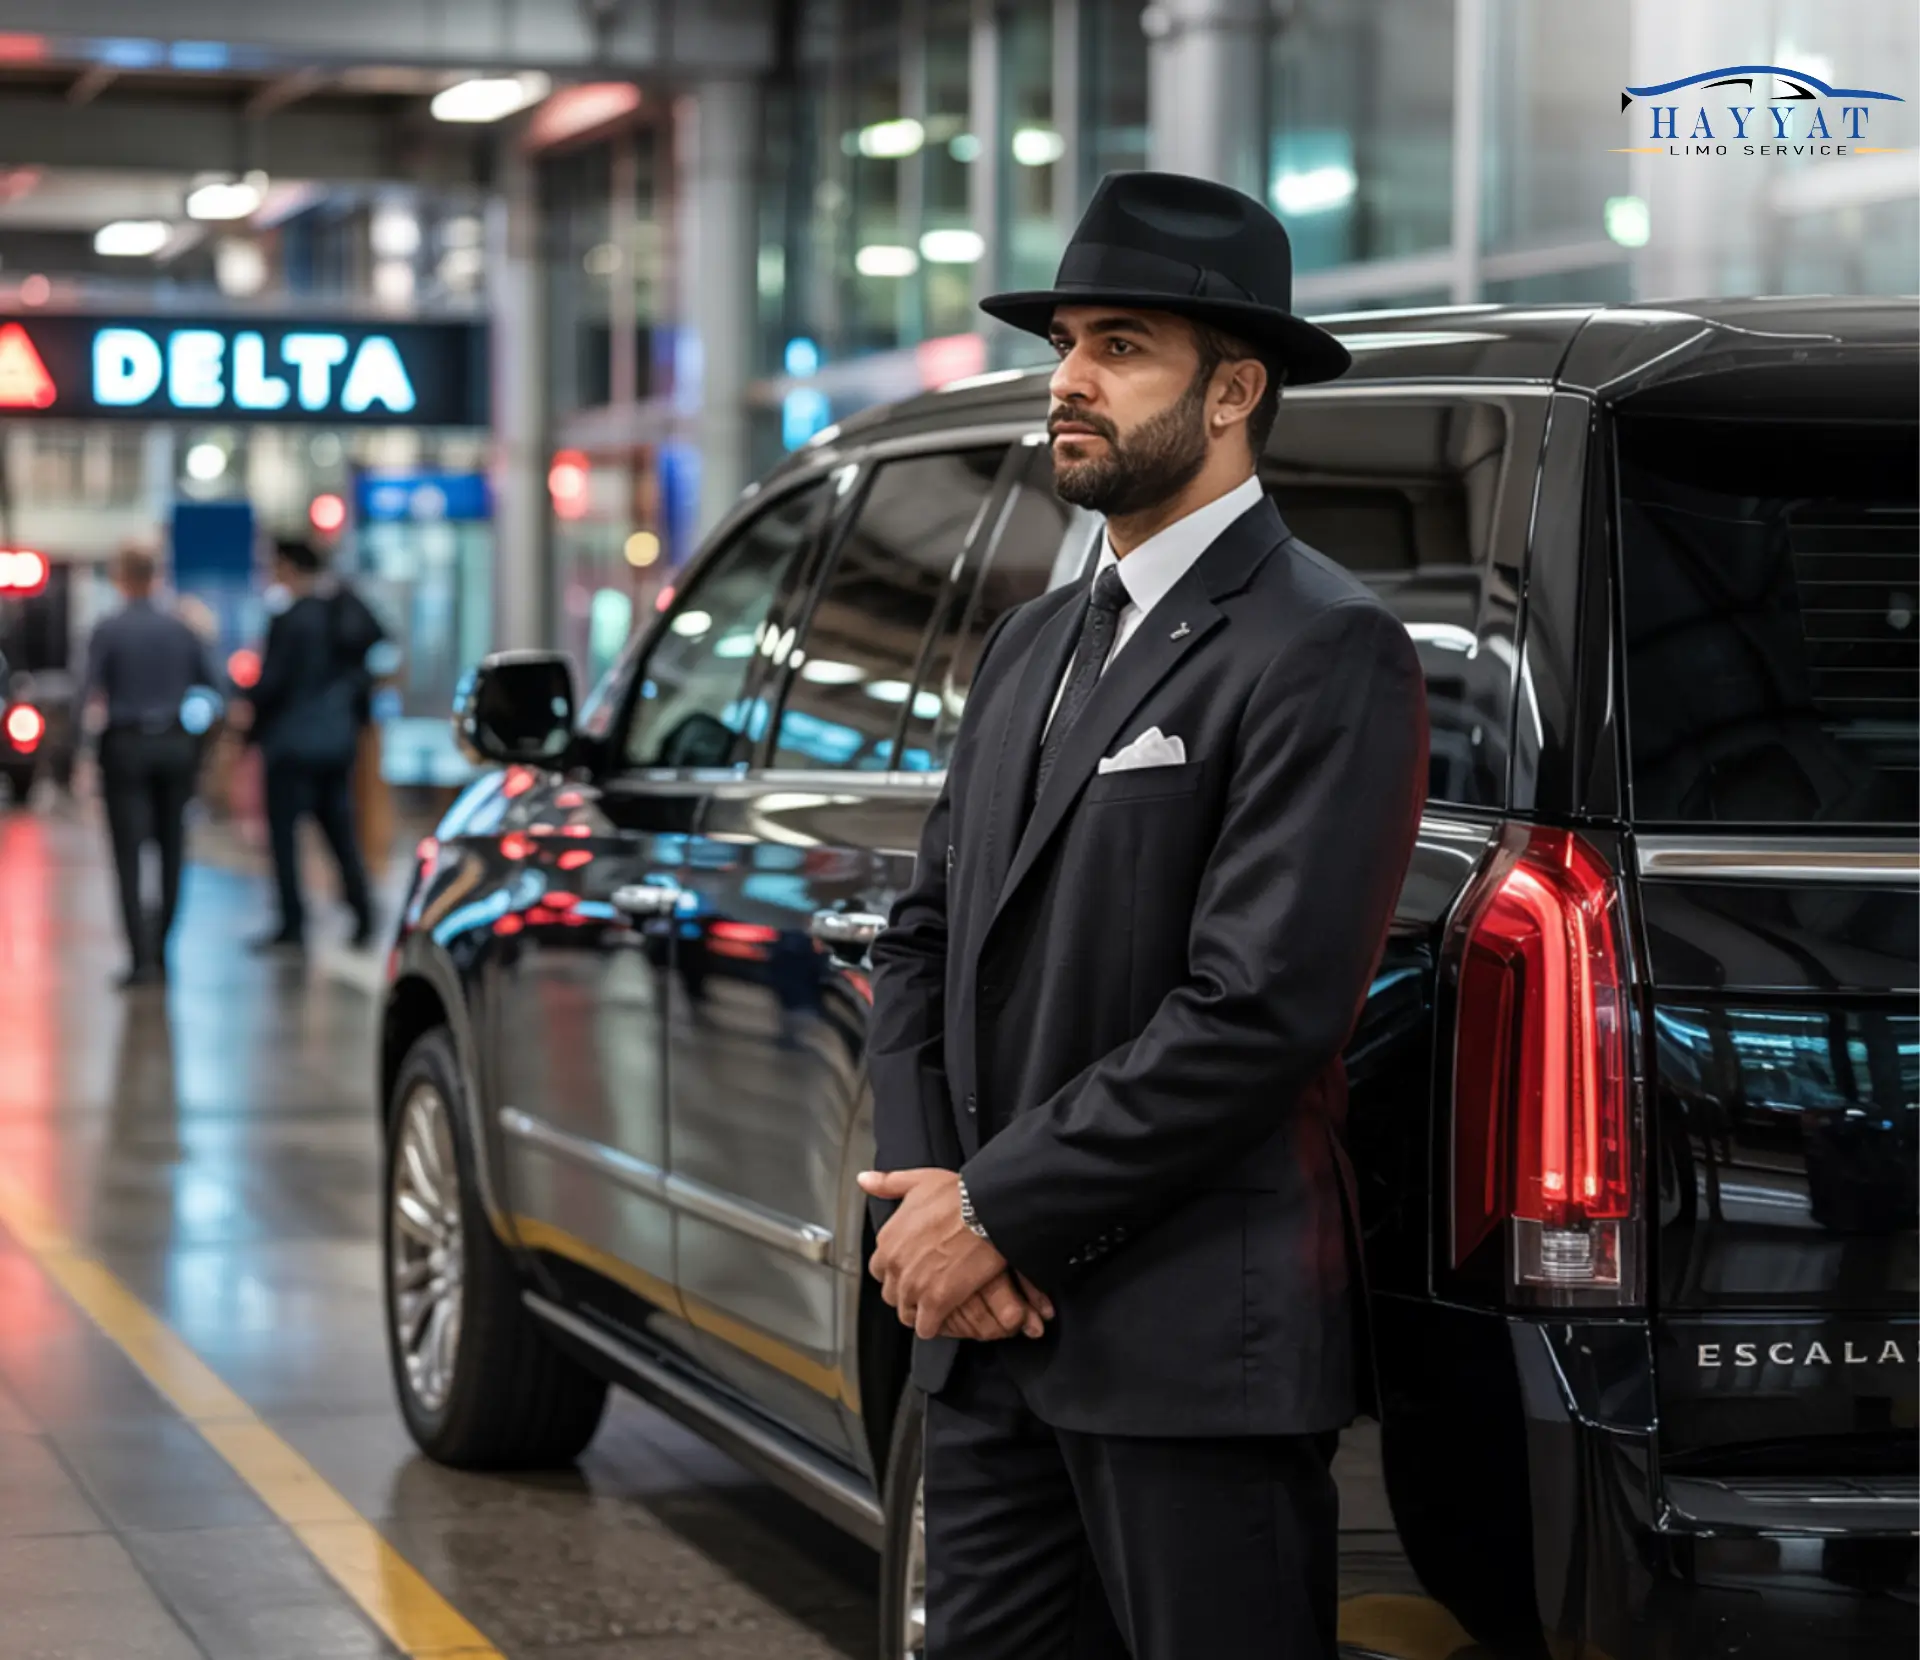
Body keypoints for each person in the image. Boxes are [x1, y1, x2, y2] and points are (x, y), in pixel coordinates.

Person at [856, 171, 1431, 1660]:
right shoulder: (1033, 643)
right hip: (984, 1343)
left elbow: (1261, 1010)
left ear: (1234, 389)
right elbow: (927, 936)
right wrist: (931, 1194)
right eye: (1066, 344)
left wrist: (996, 1211)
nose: (1068, 381)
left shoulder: (1323, 647)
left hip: (1189, 1355)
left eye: (1120, 346)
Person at [83, 544, 224, 988]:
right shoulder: (182, 630)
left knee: (128, 856)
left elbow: (84, 692)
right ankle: (162, 954)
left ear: (122, 577)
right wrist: (198, 745)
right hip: (175, 747)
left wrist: (79, 752)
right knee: (172, 853)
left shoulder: (109, 629)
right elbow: (219, 691)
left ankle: (139, 959)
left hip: (125, 748)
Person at [247, 536, 382, 953]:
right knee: (340, 831)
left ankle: (293, 924)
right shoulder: (340, 613)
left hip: (290, 744)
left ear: (288, 566)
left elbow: (272, 684)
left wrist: (249, 719)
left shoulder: (289, 620)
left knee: (285, 840)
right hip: (335, 741)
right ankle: (363, 912)